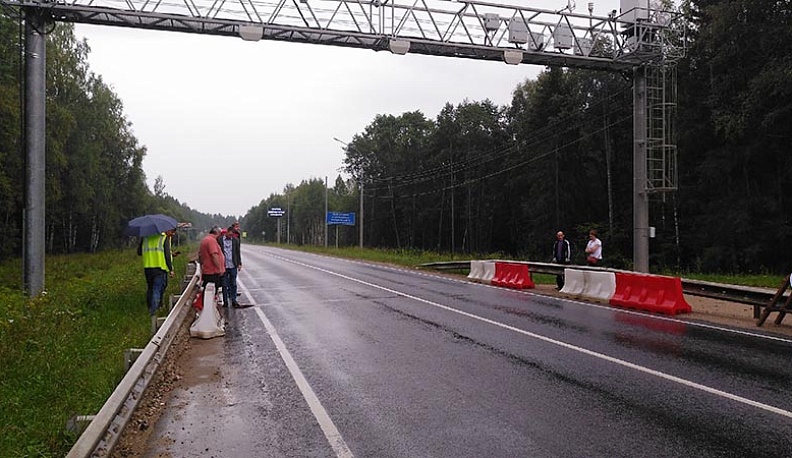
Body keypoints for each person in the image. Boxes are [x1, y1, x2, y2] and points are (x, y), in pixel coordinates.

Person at [137, 229, 175, 316]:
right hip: (159, 267)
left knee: (150, 288)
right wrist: (171, 268)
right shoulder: (163, 238)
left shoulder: (145, 238)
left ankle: (150, 308)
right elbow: (167, 255)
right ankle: (154, 312)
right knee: (156, 289)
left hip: (148, 267)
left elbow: (139, 252)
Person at [219, 225, 243, 308]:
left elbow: (237, 252)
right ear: (227, 232)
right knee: (224, 284)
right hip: (224, 265)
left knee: (233, 283)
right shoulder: (220, 240)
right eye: (229, 235)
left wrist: (239, 263)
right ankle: (225, 302)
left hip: (233, 265)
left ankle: (233, 300)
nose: (230, 236)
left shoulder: (235, 241)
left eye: (232, 235)